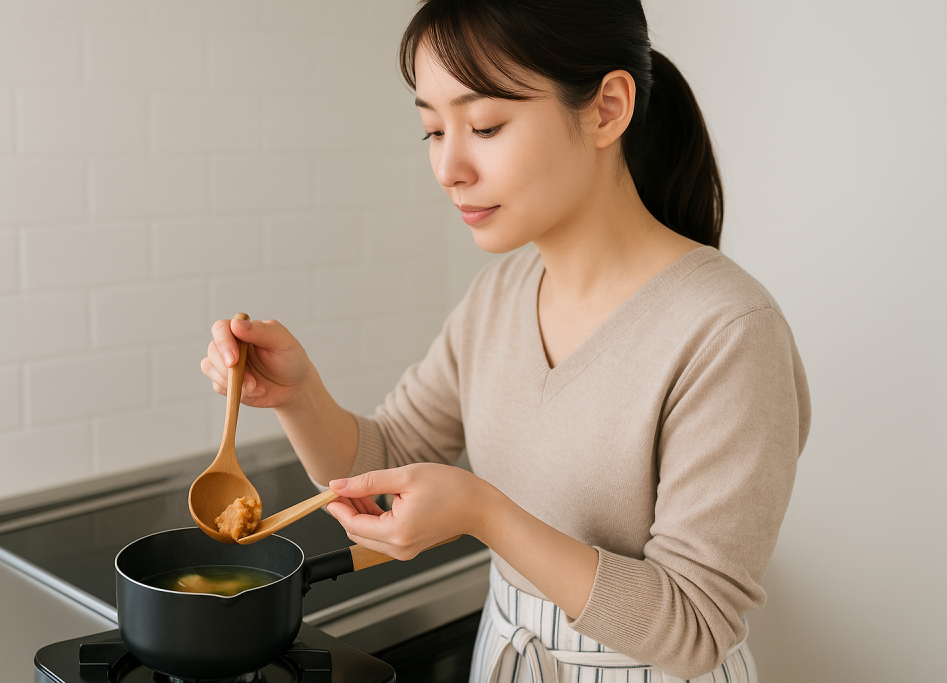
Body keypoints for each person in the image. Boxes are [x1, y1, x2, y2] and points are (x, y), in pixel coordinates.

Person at [201, 1, 810, 681]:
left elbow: (695, 626)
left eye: (485, 126)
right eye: (433, 130)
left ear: (607, 109)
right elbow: (388, 457)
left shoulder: (727, 331)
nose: (448, 168)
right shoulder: (499, 294)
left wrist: (482, 512)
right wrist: (297, 395)